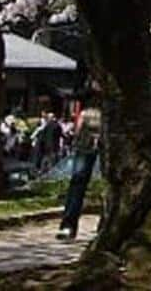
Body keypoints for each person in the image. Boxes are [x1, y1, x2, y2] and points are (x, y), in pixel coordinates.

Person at [58, 90, 103, 241]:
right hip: (87, 139)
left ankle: (105, 224)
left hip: (110, 129)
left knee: (112, 182)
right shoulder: (86, 109)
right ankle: (68, 225)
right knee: (78, 180)